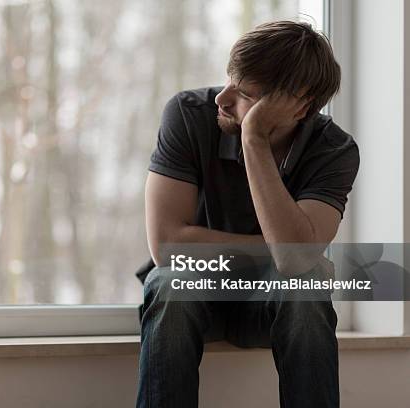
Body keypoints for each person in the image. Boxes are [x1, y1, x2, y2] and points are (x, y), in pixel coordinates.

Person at [135, 21, 360, 408]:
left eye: (244, 94)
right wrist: (277, 249)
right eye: (229, 80)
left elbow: (293, 264)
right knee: (171, 281)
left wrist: (253, 138)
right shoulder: (189, 115)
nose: (222, 98)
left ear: (297, 106)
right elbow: (167, 246)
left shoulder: (334, 151)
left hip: (273, 308)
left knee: (305, 284)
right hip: (193, 301)